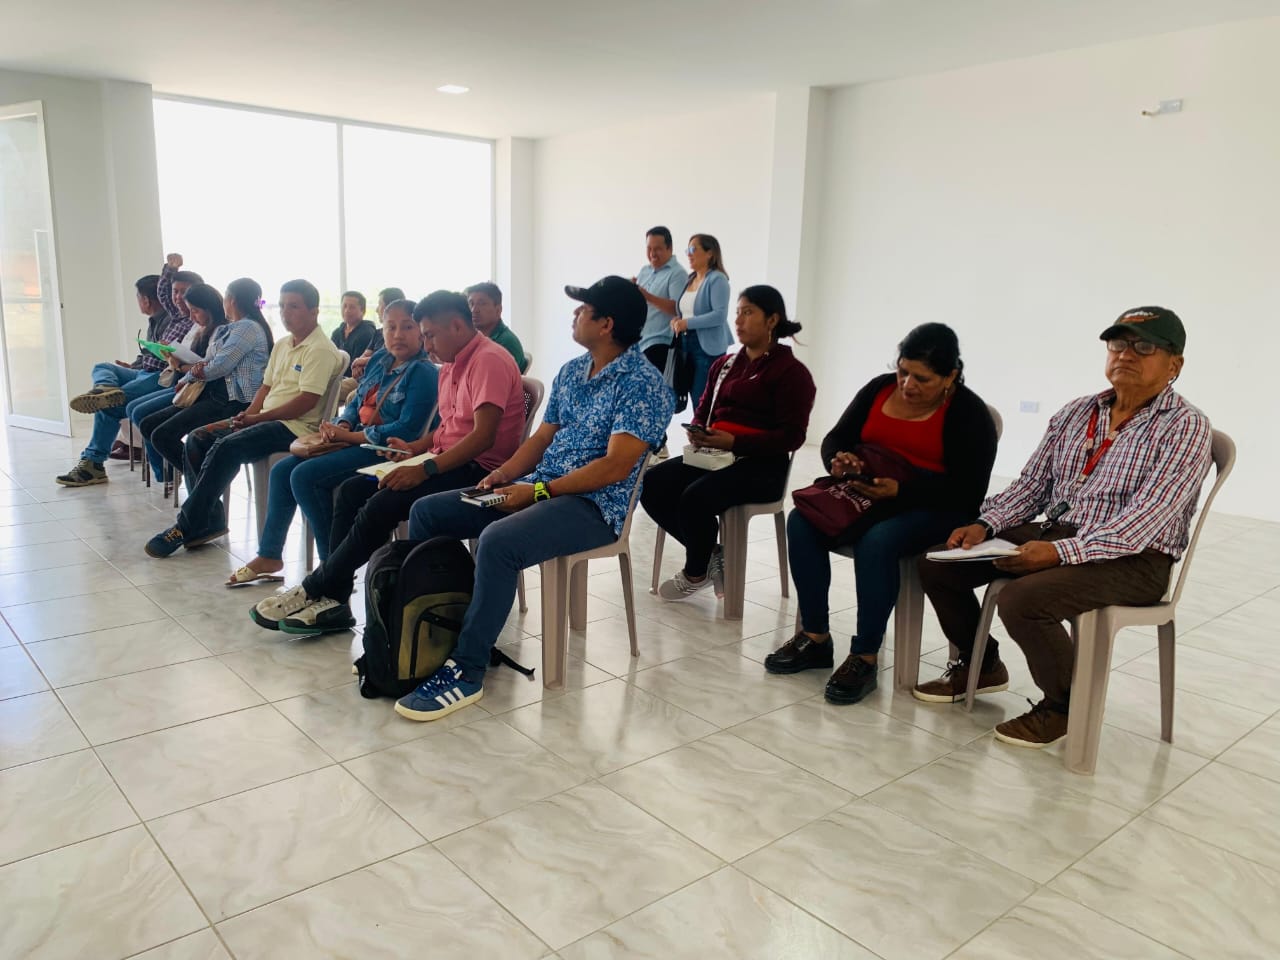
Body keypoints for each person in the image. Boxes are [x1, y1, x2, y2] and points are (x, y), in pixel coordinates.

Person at [915, 307, 1212, 748]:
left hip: (1136, 559)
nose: (1126, 354)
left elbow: (1145, 520)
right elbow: (1032, 486)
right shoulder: (1078, 411)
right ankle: (984, 665)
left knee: (1023, 599)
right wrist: (984, 524)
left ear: (1175, 364)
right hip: (1059, 533)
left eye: (1144, 347)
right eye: (1118, 344)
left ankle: (1066, 706)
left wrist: (1058, 552)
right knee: (940, 563)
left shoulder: (1185, 426)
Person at [389, 276, 673, 722]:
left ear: (606, 324)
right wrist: (503, 475)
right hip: (541, 486)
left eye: (584, 310)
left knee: (499, 542)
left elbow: (615, 467)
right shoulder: (573, 372)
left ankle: (467, 669)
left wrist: (538, 491)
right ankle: (438, 630)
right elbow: (541, 439)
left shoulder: (643, 384)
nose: (575, 315)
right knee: (427, 511)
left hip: (594, 507)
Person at [249, 290, 527, 632]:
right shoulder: (452, 363)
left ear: (456, 326)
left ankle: (318, 587)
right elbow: (448, 429)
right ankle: (335, 598)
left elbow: (482, 438)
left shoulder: (488, 360)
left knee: (383, 503)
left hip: (479, 471)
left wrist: (424, 468)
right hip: (443, 458)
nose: (427, 344)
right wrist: (414, 448)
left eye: (428, 335)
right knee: (353, 490)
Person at [763, 324, 998, 706]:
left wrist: (902, 490)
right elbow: (835, 438)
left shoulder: (969, 413)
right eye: (903, 371)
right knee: (802, 521)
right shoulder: (879, 389)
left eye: (922, 378)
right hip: (870, 495)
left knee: (879, 541)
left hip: (934, 507)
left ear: (950, 376)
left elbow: (968, 491)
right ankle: (815, 637)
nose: (907, 384)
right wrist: (839, 460)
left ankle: (865, 655)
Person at [229, 300, 437, 585]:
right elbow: (355, 402)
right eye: (391, 327)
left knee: (305, 476)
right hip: (354, 439)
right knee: (281, 471)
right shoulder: (380, 359)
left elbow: (407, 430)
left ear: (421, 332)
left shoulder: (423, 372)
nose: (398, 334)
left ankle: (332, 568)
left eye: (408, 327)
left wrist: (348, 436)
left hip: (385, 451)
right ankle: (270, 554)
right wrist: (343, 423)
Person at [143, 279, 345, 557]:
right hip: (265, 418)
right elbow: (265, 388)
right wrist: (248, 415)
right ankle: (208, 519)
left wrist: (258, 418)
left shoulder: (319, 349)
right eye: (282, 306)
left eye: (294, 307)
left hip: (294, 427)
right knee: (198, 439)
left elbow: (305, 403)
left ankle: (186, 525)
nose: (285, 313)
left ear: (314, 311)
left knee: (227, 446)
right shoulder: (284, 344)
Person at [642, 285, 815, 603]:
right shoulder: (723, 365)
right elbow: (704, 410)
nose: (738, 320)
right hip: (714, 456)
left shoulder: (792, 373)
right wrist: (699, 430)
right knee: (651, 484)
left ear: (772, 320)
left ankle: (696, 571)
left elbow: (792, 437)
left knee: (695, 498)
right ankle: (712, 554)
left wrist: (737, 441)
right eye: (737, 312)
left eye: (748, 312)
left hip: (762, 466)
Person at [56, 258, 200, 486]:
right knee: (103, 368)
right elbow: (164, 292)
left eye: (184, 293)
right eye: (176, 292)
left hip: (163, 376)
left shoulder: (198, 321)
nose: (177, 297)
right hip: (144, 371)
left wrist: (173, 358)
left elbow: (197, 362)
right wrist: (170, 269)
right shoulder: (176, 314)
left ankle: (93, 463)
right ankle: (104, 388)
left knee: (108, 406)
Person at [138, 278, 274, 484]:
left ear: (232, 300)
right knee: (149, 425)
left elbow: (219, 366)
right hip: (212, 396)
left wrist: (191, 374)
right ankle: (203, 483)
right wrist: (189, 377)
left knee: (162, 435)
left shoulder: (247, 328)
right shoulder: (229, 328)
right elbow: (207, 362)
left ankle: (203, 487)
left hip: (233, 402)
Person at [106, 274, 166, 460]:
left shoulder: (169, 321)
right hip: (148, 371)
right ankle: (127, 441)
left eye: (138, 298)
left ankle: (134, 444)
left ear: (146, 300)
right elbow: (149, 353)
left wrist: (138, 367)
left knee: (119, 395)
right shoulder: (154, 321)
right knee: (107, 375)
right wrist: (133, 366)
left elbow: (162, 357)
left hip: (161, 376)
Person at [672, 234, 731, 411]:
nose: (689, 254)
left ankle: (705, 429)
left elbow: (719, 315)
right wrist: (677, 320)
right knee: (689, 394)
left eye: (693, 249)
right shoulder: (690, 279)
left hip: (706, 347)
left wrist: (687, 323)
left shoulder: (717, 279)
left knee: (702, 399)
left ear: (709, 253)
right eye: (687, 250)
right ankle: (698, 428)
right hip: (685, 343)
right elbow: (685, 311)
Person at [634, 226, 689, 373]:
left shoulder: (677, 273)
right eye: (649, 248)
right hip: (640, 343)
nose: (652, 253)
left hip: (660, 343)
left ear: (669, 248)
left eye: (657, 249)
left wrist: (647, 296)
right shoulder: (644, 271)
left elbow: (678, 308)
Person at [465, 282, 527, 372]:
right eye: (471, 304)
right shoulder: (472, 338)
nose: (474, 310)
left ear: (498, 310)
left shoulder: (506, 342)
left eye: (482, 303)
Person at [350, 287, 407, 380]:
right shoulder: (378, 333)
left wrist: (362, 361)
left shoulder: (402, 337)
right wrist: (358, 364)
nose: (377, 310)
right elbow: (366, 354)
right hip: (367, 377)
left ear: (390, 307)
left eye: (380, 304)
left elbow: (390, 358)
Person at [331, 290, 383, 378]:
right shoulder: (337, 332)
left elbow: (356, 366)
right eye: (344, 306)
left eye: (352, 307)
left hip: (354, 378)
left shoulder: (366, 333)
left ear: (363, 311)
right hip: (335, 376)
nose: (347, 311)